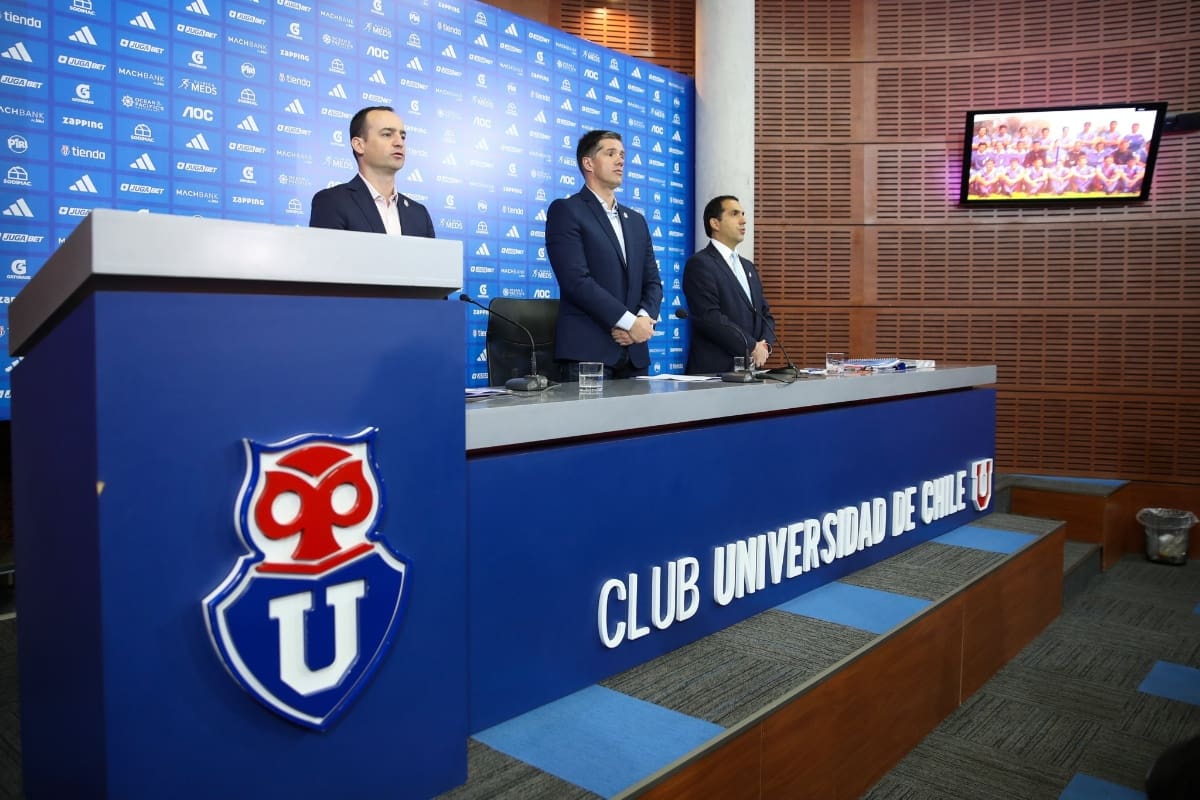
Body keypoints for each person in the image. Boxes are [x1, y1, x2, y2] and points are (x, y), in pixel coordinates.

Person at [545, 129, 663, 379]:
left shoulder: (637, 221)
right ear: (588, 163)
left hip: (635, 354)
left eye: (622, 154)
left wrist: (641, 323)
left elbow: (652, 281)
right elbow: (576, 281)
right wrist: (630, 323)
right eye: (611, 154)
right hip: (588, 354)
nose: (620, 160)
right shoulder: (566, 211)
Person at [309, 105, 435, 237]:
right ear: (359, 145)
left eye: (402, 136)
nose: (399, 143)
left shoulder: (419, 214)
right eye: (387, 134)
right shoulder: (332, 202)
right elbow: (328, 256)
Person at [682, 196, 775, 374]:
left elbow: (765, 315)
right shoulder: (700, 263)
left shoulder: (748, 266)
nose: (744, 220)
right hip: (715, 373)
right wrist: (751, 346)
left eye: (743, 214)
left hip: (750, 372)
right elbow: (710, 318)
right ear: (715, 223)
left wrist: (765, 346)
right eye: (734, 214)